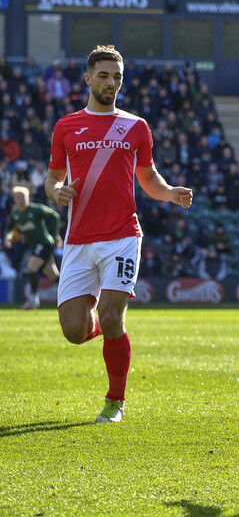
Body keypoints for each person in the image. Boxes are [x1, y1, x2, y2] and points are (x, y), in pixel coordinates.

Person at [45, 45, 193, 424]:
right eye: (105, 75)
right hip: (78, 240)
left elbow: (148, 178)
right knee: (75, 332)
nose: (112, 83)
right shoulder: (65, 126)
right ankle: (103, 328)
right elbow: (53, 178)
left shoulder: (136, 126)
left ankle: (115, 402)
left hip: (123, 235)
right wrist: (55, 191)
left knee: (112, 316)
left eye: (117, 77)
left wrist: (170, 192)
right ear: (88, 78)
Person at [2, 185, 62, 310]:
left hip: (45, 243)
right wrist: (8, 237)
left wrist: (55, 234)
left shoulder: (36, 209)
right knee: (53, 275)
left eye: (22, 197)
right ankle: (71, 294)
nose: (20, 199)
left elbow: (54, 215)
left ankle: (33, 300)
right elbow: (9, 228)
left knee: (31, 267)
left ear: (28, 197)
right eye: (18, 197)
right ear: (14, 199)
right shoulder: (16, 214)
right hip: (35, 246)